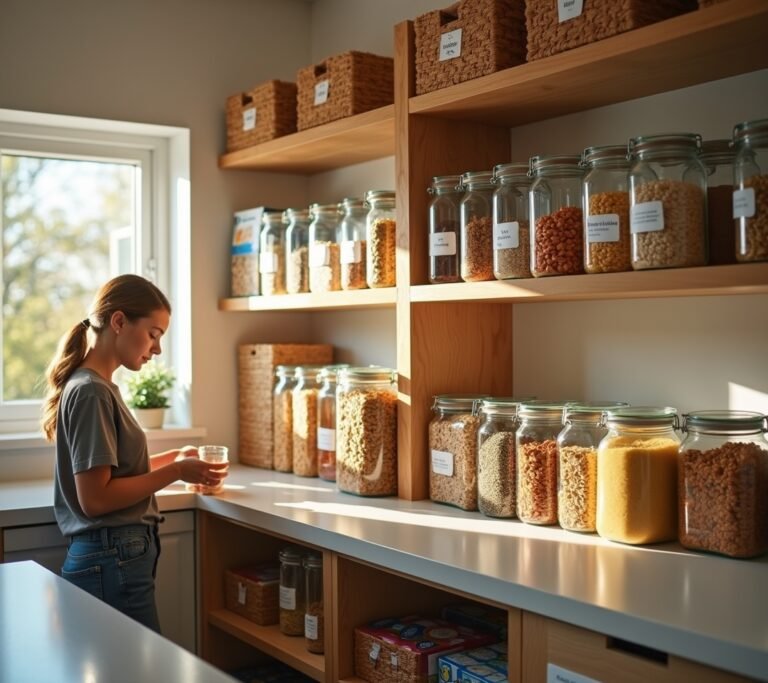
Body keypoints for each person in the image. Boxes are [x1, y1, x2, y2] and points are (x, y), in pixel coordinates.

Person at [41, 274, 227, 632]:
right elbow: (95, 499)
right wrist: (176, 473)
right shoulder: (91, 391)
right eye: (154, 334)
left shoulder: (97, 387)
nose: (157, 349)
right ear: (119, 321)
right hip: (113, 556)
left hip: (113, 555)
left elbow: (114, 474)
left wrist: (174, 459)